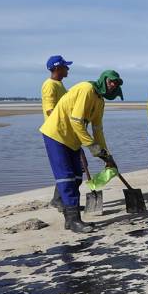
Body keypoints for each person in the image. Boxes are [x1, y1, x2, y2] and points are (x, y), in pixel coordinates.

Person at [42, 70, 123, 233]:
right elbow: (77, 121)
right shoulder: (87, 89)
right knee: (66, 178)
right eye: (111, 81)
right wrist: (94, 148)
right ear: (104, 80)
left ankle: (68, 218)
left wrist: (106, 155)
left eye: (116, 83)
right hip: (57, 134)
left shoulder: (100, 101)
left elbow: (97, 129)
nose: (113, 85)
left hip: (73, 139)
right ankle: (74, 220)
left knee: (77, 177)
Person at [39, 55, 74, 210]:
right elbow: (50, 109)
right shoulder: (49, 85)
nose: (68, 69)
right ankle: (59, 200)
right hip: (56, 133)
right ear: (57, 68)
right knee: (64, 169)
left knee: (69, 168)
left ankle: (58, 198)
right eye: (65, 66)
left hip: (65, 132)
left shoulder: (60, 85)